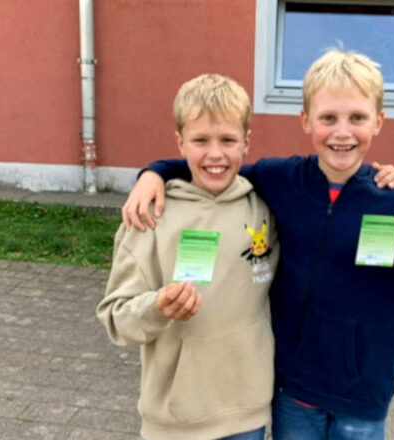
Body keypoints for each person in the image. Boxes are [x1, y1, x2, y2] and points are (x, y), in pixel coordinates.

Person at [121, 50, 394, 440]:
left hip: (363, 400)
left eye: (357, 118)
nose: (342, 132)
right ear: (306, 120)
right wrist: (154, 173)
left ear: (378, 122)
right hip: (293, 394)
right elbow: (216, 166)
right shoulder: (282, 180)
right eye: (328, 118)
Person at [97, 74, 281, 440]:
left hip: (247, 414)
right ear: (180, 143)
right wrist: (157, 307)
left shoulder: (268, 207)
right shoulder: (149, 215)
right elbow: (115, 319)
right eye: (200, 141)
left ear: (247, 142)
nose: (215, 154)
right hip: (174, 421)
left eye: (228, 140)